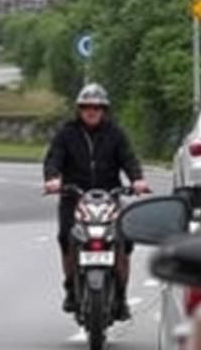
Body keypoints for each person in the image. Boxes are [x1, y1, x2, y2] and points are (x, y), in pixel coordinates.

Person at [43, 83, 150, 318]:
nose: (91, 111)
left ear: (104, 110)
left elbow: (129, 159)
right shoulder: (67, 133)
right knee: (66, 236)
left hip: (109, 197)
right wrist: (52, 179)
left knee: (123, 240)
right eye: (86, 107)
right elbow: (54, 158)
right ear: (79, 110)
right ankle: (71, 287)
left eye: (97, 107)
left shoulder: (115, 133)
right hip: (75, 197)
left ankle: (121, 295)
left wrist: (137, 180)